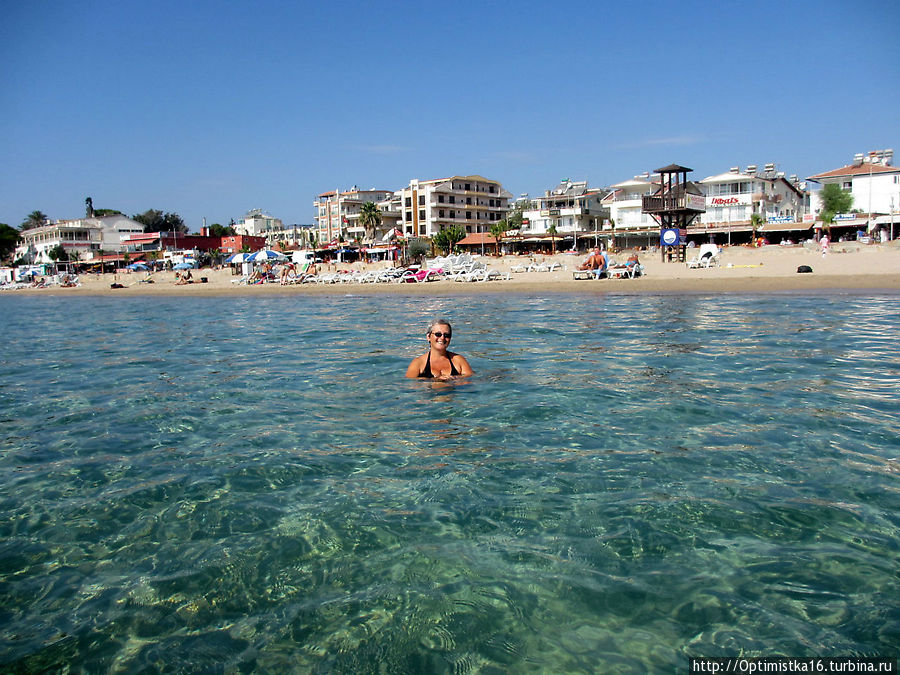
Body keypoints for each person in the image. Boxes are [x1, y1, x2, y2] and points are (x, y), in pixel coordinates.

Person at [405, 319, 473, 380]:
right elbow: (409, 385)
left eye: (446, 335)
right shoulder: (418, 363)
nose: (442, 338)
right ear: (428, 337)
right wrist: (435, 381)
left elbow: (471, 380)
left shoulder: (459, 360)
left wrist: (454, 378)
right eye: (438, 334)